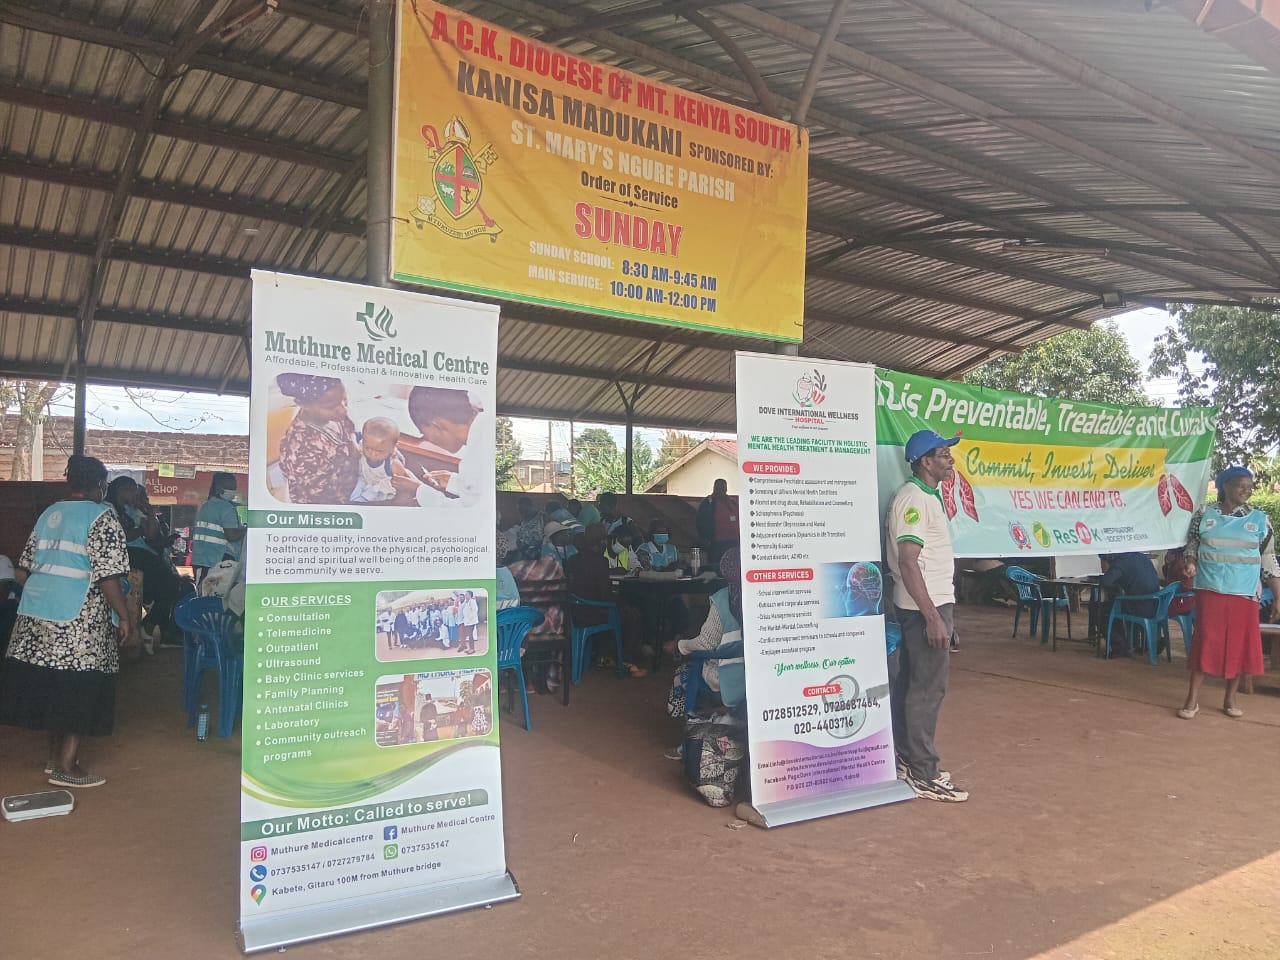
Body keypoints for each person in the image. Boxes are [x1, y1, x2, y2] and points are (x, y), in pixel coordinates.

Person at [0, 455, 135, 788]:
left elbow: (26, 565)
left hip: (37, 613)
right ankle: (68, 766)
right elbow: (108, 577)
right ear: (100, 484)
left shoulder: (49, 513)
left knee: (52, 686)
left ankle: (53, 759)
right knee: (79, 687)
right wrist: (125, 615)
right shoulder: (102, 517)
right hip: (78, 619)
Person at [885, 429, 969, 802]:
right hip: (924, 609)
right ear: (925, 461)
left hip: (928, 606)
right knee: (927, 689)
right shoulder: (914, 499)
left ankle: (908, 759)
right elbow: (908, 561)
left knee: (914, 684)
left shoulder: (924, 497)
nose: (950, 460)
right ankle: (924, 773)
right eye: (943, 454)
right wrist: (933, 618)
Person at [1178, 466, 1280, 720]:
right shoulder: (1204, 514)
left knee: (1239, 644)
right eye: (1241, 486)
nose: (1247, 490)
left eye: (1250, 487)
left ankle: (1230, 698)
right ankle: (1192, 699)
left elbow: (1268, 561)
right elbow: (1192, 545)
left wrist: (1278, 596)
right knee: (1206, 641)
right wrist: (1190, 562)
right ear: (1225, 486)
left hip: (1244, 593)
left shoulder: (1260, 520)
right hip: (1210, 589)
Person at [106, 476, 185, 647]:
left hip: (145, 554)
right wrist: (140, 530)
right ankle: (151, 627)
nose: (136, 495)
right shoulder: (108, 508)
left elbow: (151, 535)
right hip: (128, 555)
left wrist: (150, 512)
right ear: (122, 490)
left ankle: (150, 624)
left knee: (173, 584)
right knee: (170, 583)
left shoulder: (130, 510)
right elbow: (123, 535)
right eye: (133, 491)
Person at [566, 523, 648, 678]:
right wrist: (622, 602)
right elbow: (604, 596)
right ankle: (626, 661)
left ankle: (604, 656)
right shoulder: (601, 561)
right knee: (632, 616)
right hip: (592, 613)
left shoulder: (573, 559)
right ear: (601, 542)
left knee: (618, 612)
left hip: (575, 611)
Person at [276, 374, 360, 504]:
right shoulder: (301, 449)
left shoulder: (336, 413)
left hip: (350, 482)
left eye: (344, 400)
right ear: (303, 404)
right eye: (332, 406)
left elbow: (348, 426)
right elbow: (312, 497)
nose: (343, 409)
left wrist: (352, 441)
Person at [407, 386, 483, 505]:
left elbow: (465, 510)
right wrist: (455, 483)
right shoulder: (483, 429)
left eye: (424, 434)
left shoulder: (475, 459)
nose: (428, 440)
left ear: (436, 425)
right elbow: (480, 490)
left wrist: (419, 490)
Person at [1098, 551, 1161, 657]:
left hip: (1141, 606)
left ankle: (1119, 645)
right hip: (1157, 605)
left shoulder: (1120, 563)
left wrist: (1106, 572)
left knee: (1100, 609)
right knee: (1115, 605)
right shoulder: (1140, 556)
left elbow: (1105, 581)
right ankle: (1133, 642)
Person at [192, 472, 246, 586]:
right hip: (218, 562)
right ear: (219, 489)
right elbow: (231, 535)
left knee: (203, 591)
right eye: (231, 487)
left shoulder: (206, 506)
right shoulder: (226, 508)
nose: (234, 490)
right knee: (217, 593)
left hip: (200, 559)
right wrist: (247, 529)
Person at [351, 416, 420, 503]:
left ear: (393, 448)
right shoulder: (365, 440)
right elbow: (352, 434)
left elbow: (404, 481)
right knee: (353, 496)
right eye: (368, 448)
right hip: (364, 479)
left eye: (379, 451)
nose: (372, 454)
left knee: (367, 497)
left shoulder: (393, 464)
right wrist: (354, 443)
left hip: (380, 488)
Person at [695, 479, 739, 568]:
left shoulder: (733, 502)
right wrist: (705, 539)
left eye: (723, 487)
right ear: (714, 488)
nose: (722, 489)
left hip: (733, 542)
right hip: (716, 543)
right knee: (716, 567)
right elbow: (700, 522)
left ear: (726, 488)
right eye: (719, 487)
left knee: (732, 566)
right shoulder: (708, 502)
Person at [1163, 547, 1195, 618]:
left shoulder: (1177, 564)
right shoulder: (1185, 563)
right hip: (1190, 602)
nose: (1166, 555)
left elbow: (1171, 586)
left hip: (1181, 603)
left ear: (1173, 554)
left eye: (1168, 552)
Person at [460, 590, 480, 655]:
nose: (465, 596)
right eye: (465, 594)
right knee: (469, 635)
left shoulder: (472, 601)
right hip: (467, 622)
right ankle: (470, 648)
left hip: (471, 622)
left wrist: (468, 620)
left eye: (466, 594)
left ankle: (472, 649)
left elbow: (474, 611)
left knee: (470, 635)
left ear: (470, 595)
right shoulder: (466, 602)